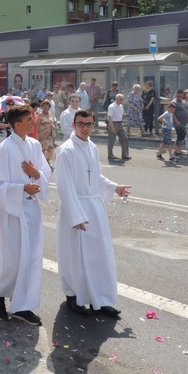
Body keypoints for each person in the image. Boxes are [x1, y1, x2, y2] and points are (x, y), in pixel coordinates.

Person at [55, 109, 131, 317]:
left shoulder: (92, 147)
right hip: (75, 208)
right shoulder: (66, 150)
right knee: (75, 255)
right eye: (81, 124)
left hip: (94, 207)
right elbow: (64, 185)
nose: (85, 128)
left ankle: (101, 298)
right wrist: (75, 215)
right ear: (73, 125)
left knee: (100, 254)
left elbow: (96, 177)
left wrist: (115, 187)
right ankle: (74, 296)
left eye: (89, 124)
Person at [0, 104, 51, 326]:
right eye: (29, 120)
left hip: (31, 210)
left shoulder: (35, 144)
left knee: (31, 259)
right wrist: (22, 188)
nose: (33, 123)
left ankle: (23, 306)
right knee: (13, 260)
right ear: (17, 124)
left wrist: (36, 174)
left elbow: (45, 172)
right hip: (13, 211)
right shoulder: (5, 148)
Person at [107, 94, 130, 161]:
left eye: (122, 99)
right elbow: (110, 118)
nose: (122, 101)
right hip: (113, 123)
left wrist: (123, 124)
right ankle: (110, 154)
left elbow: (121, 115)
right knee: (112, 140)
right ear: (116, 99)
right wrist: (112, 127)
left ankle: (125, 154)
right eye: (120, 99)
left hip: (119, 123)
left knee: (124, 138)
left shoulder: (121, 106)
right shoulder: (112, 107)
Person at [170, 89, 188, 158]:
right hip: (178, 122)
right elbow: (172, 112)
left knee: (182, 136)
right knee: (180, 136)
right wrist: (176, 121)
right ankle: (175, 151)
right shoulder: (174, 102)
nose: (180, 98)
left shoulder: (184, 102)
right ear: (176, 95)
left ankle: (178, 150)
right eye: (178, 96)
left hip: (184, 122)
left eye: (181, 96)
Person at [36, 99, 56, 165]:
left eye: (47, 106)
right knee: (43, 149)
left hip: (49, 135)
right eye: (44, 106)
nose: (45, 108)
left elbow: (51, 122)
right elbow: (37, 125)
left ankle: (48, 161)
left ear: (49, 107)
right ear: (42, 107)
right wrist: (37, 135)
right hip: (42, 135)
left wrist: (53, 126)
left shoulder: (50, 114)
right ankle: (42, 163)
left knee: (49, 149)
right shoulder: (40, 115)